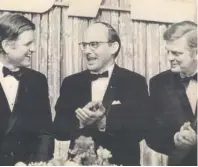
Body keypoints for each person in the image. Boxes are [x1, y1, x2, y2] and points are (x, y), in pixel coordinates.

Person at [53, 22, 149, 165]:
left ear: (113, 47)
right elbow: (58, 130)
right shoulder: (71, 83)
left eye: (94, 44)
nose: (86, 51)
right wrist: (80, 122)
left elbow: (142, 129)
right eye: (84, 45)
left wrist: (104, 122)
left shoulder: (134, 82)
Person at [0, 13, 54, 165]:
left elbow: (45, 133)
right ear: (6, 46)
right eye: (28, 44)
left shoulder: (38, 80)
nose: (34, 49)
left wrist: (38, 164)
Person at [147, 21, 197, 166]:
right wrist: (175, 139)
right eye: (168, 51)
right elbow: (152, 133)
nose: (169, 58)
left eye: (176, 53)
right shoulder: (159, 83)